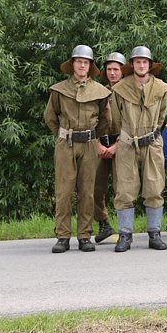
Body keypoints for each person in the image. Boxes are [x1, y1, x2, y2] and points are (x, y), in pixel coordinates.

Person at [43, 45, 111, 253]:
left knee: (87, 191)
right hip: (66, 143)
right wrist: (63, 134)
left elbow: (105, 119)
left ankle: (84, 236)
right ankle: (62, 236)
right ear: (72, 64)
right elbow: (50, 117)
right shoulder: (59, 90)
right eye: (79, 61)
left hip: (89, 144)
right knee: (63, 191)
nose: (82, 65)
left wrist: (93, 137)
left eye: (86, 62)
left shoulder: (100, 92)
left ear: (90, 66)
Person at [112, 46, 167, 252]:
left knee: (154, 187)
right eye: (137, 62)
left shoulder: (161, 88)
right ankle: (125, 235)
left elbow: (161, 116)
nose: (141, 65)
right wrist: (127, 135)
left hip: (152, 143)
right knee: (125, 190)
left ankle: (154, 234)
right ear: (132, 64)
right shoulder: (120, 88)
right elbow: (115, 118)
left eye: (144, 62)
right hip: (127, 143)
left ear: (150, 65)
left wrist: (150, 133)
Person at [92, 51, 126, 244]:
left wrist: (117, 145)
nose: (112, 73)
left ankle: (125, 229)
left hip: (122, 144)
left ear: (122, 71)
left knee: (122, 188)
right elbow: (91, 119)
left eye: (116, 69)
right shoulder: (99, 91)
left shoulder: (128, 92)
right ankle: (103, 223)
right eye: (109, 69)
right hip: (99, 144)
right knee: (94, 187)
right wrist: (97, 143)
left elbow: (132, 122)